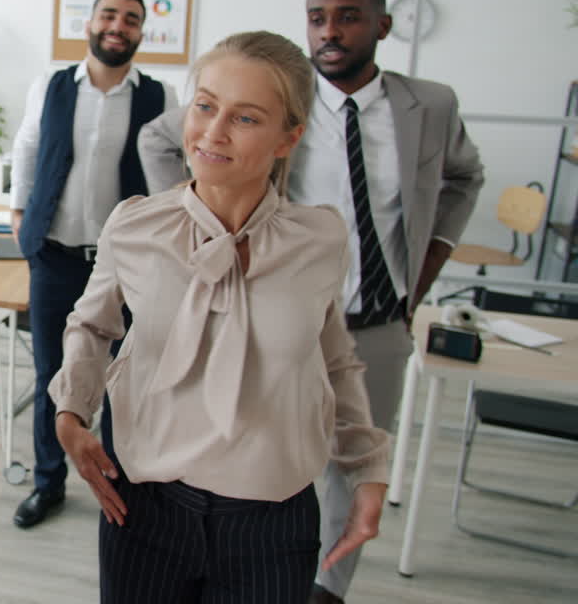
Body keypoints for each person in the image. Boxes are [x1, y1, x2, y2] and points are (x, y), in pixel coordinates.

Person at [138, 0, 485, 604]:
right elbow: (162, 140)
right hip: (274, 316)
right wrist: (199, 231)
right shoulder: (274, 102)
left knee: (351, 464)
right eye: (318, 16)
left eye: (348, 16)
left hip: (376, 318)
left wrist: (428, 264)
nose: (330, 30)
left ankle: (327, 589)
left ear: (382, 25)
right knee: (260, 454)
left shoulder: (429, 106)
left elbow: (465, 176)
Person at [51, 30, 391, 603]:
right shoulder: (135, 225)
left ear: (289, 138)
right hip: (145, 512)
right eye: (205, 106)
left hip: (273, 524)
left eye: (246, 118)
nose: (212, 131)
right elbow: (91, 326)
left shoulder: (321, 239)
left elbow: (334, 359)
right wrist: (70, 415)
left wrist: (368, 469)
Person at [9, 0, 176, 529]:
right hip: (55, 257)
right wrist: (18, 214)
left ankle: (114, 480)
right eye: (109, 14)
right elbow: (28, 148)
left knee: (125, 379)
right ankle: (48, 483)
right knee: (53, 377)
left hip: (127, 267)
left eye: (130, 19)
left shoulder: (159, 96)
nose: (117, 26)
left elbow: (173, 172)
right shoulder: (52, 86)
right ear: (89, 23)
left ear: (140, 33)